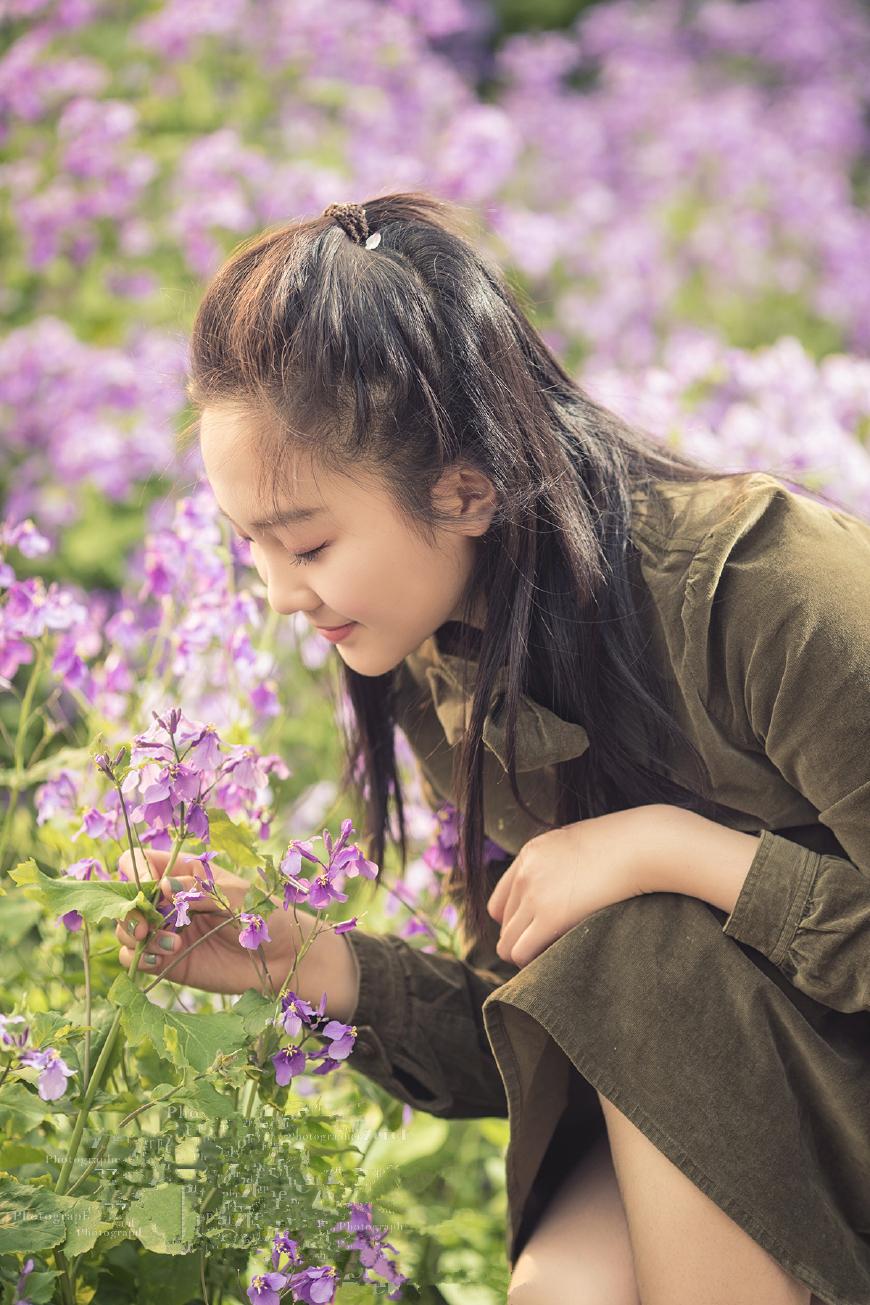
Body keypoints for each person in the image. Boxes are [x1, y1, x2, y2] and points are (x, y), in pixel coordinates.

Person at [115, 193, 870, 1305]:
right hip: (729, 1089)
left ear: (467, 488)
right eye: (250, 549)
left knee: (643, 945)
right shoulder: (441, 647)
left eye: (308, 542)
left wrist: (674, 848)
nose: (278, 596)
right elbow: (547, 1018)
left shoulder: (768, 587)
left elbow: (629, 967)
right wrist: (307, 964)